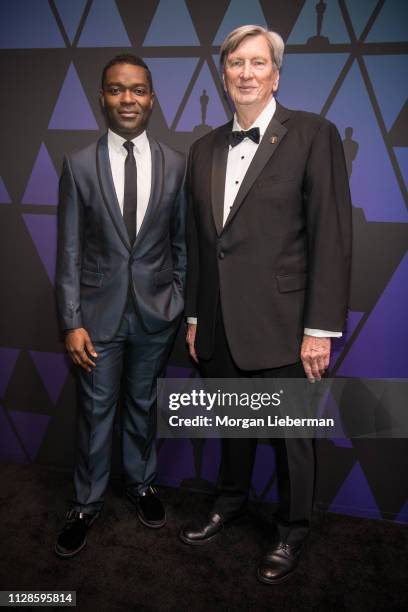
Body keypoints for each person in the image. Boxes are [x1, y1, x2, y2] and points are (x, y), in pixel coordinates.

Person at [180, 25, 351, 584]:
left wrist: (320, 329)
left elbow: (331, 235)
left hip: (286, 324)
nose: (246, 73)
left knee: (291, 441)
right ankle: (227, 504)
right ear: (223, 73)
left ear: (276, 74)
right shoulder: (203, 148)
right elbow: (204, 244)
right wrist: (197, 315)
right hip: (221, 322)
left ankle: (292, 531)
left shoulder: (311, 134)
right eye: (236, 63)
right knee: (233, 426)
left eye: (258, 63)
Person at [55, 54, 186, 558]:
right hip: (96, 318)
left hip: (157, 316)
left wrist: (177, 301)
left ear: (151, 98)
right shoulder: (78, 163)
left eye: (137, 90)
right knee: (95, 411)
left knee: (143, 406)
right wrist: (71, 321)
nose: (126, 99)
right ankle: (86, 505)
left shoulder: (176, 163)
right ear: (102, 98)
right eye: (116, 90)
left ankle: (142, 484)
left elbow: (182, 246)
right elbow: (67, 249)